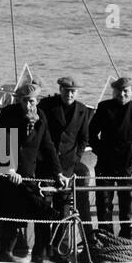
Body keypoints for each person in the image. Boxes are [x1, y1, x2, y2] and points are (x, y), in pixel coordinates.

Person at [0, 83, 61, 260]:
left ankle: (41, 251)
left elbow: (48, 146)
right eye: (25, 101)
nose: (28, 105)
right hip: (10, 172)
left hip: (28, 171)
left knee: (38, 209)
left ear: (37, 101)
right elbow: (4, 141)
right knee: (10, 213)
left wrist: (58, 173)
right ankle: (5, 252)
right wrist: (10, 170)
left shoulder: (41, 117)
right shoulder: (8, 114)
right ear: (18, 100)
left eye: (32, 101)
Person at [89, 76, 132, 240]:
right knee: (103, 202)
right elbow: (91, 133)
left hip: (127, 164)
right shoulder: (104, 108)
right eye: (118, 91)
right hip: (105, 162)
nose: (122, 94)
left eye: (125, 91)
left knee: (127, 203)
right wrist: (100, 151)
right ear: (114, 92)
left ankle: (126, 236)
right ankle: (105, 235)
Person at [38, 76, 93, 228]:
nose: (69, 95)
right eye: (67, 91)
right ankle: (42, 247)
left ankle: (59, 246)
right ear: (60, 90)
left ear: (77, 93)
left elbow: (84, 138)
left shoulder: (82, 110)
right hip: (47, 163)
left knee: (63, 207)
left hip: (67, 165)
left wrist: (76, 158)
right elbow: (40, 132)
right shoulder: (47, 105)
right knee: (44, 204)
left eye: (73, 92)